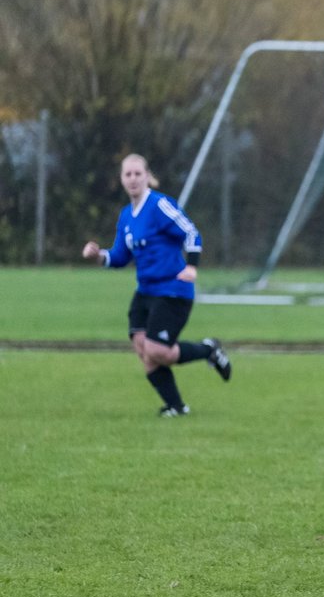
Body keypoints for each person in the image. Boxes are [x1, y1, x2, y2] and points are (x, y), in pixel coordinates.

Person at [82, 153, 232, 416]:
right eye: (127, 174)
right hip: (146, 291)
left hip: (173, 290)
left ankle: (209, 350)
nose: (133, 179)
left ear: (147, 176)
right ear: (121, 179)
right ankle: (176, 407)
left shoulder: (159, 205)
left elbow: (191, 232)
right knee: (142, 348)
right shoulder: (127, 216)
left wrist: (192, 265)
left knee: (157, 350)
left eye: (137, 173)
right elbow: (119, 256)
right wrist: (98, 256)